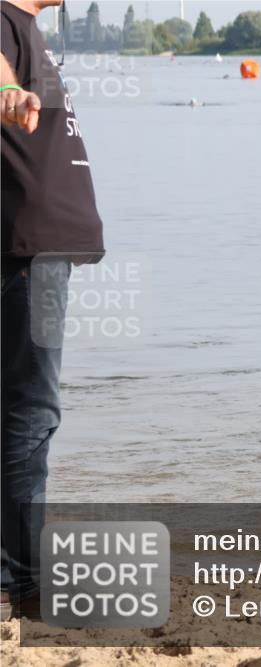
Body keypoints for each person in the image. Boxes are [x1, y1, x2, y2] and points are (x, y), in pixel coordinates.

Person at [1, 0, 104, 620]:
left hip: (29, 248)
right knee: (29, 413)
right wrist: (9, 91)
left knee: (15, 412)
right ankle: (33, 587)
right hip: (26, 253)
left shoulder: (26, 28)